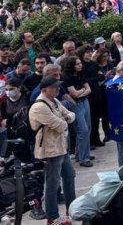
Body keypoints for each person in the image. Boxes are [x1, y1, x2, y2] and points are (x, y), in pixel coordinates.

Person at [29, 76, 76, 225]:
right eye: (54, 87)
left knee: (69, 177)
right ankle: (52, 218)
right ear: (44, 90)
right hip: (50, 151)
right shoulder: (39, 106)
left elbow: (71, 114)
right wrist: (65, 118)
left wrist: (65, 117)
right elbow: (60, 125)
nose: (57, 89)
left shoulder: (54, 101)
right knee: (52, 185)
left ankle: (72, 209)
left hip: (61, 147)